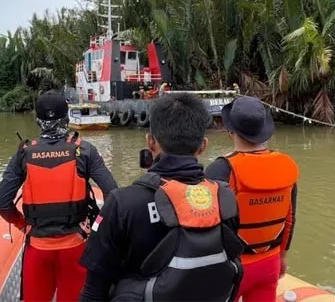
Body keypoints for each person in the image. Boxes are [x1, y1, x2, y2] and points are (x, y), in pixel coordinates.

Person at [79, 93, 243, 301]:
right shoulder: (224, 199)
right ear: (203, 145)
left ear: (150, 142)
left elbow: (94, 291)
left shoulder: (123, 204)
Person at [0, 90, 119, 302]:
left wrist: (23, 225)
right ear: (67, 118)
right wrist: (96, 228)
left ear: (37, 121)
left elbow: (2, 203)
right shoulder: (85, 151)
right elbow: (113, 195)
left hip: (37, 249)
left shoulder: (24, 154)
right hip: (75, 246)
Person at [205, 95, 299, 302]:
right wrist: (282, 257)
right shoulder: (286, 167)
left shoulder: (220, 169)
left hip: (232, 266)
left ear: (230, 132)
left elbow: (205, 225)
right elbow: (290, 219)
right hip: (270, 262)